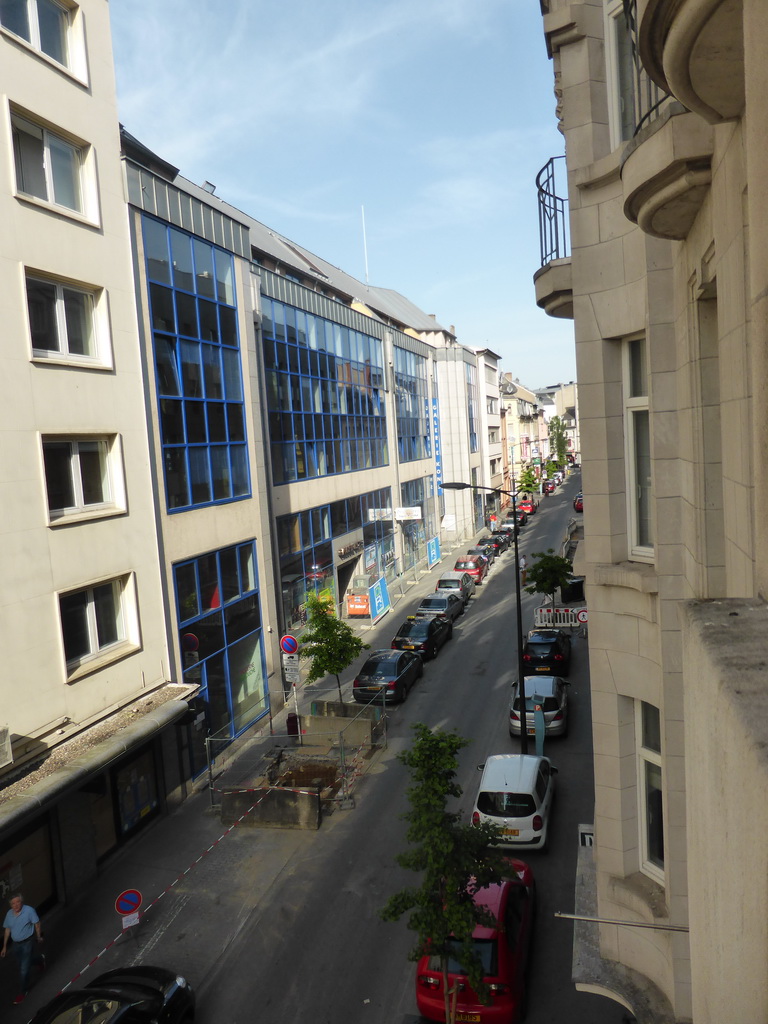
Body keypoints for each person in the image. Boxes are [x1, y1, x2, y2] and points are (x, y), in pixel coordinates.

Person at [1, 893, 45, 1005]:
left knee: (24, 969)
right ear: (10, 905)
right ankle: (40, 959)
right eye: (13, 903)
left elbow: (37, 923)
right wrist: (5, 947)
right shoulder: (9, 914)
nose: (15, 905)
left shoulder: (29, 911)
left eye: (17, 902)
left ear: (21, 902)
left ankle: (23, 991)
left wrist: (39, 936)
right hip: (16, 944)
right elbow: (7, 930)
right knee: (24, 963)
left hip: (27, 942)